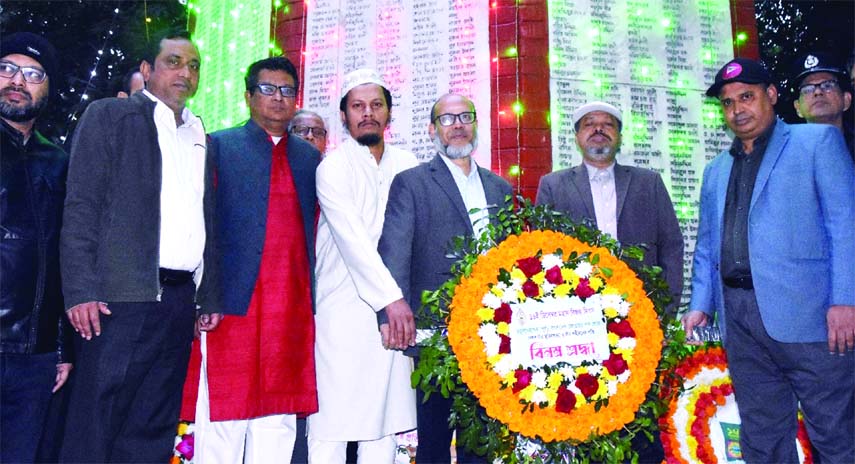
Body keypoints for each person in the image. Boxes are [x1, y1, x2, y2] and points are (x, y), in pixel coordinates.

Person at [59, 28, 221, 462]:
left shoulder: (198, 133)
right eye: (173, 62)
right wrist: (80, 291)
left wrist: (206, 294)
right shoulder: (110, 116)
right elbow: (81, 207)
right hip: (118, 299)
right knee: (95, 422)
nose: (185, 73)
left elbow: (203, 218)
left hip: (178, 301)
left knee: (153, 425)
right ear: (147, 69)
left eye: (193, 66)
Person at [683, 57, 855, 463]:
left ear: (772, 95)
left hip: (813, 317)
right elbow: (708, 245)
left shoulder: (816, 143)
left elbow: (846, 226)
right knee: (762, 436)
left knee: (834, 434)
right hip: (740, 318)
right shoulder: (715, 170)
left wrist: (846, 301)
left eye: (747, 97)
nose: (737, 109)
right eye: (728, 102)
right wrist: (700, 304)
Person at [179, 56, 320, 463]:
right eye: (268, 89)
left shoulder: (309, 159)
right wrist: (205, 296)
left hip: (289, 307)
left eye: (287, 91)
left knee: (278, 418)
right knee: (223, 413)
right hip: (230, 306)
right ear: (248, 96)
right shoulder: (220, 146)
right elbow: (202, 224)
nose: (278, 98)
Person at [378, 94, 511, 462]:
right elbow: (394, 252)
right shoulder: (412, 183)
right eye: (447, 119)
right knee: (434, 440)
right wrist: (390, 313)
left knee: (482, 440)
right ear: (432, 129)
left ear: (475, 124)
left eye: (465, 116)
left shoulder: (500, 188)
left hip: (493, 334)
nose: (457, 125)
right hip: (435, 336)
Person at [308, 68, 418, 463]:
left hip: (397, 311)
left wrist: (400, 302)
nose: (367, 113)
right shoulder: (333, 167)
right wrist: (391, 300)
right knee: (332, 422)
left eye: (376, 105)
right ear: (344, 115)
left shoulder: (408, 163)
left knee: (386, 421)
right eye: (358, 106)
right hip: (343, 309)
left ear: (388, 113)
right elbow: (354, 242)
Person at [535, 101, 684, 314]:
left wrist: (667, 307)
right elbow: (543, 249)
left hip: (642, 305)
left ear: (620, 137)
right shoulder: (554, 185)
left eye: (608, 124)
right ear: (577, 138)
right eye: (589, 124)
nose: (599, 129)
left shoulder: (648, 182)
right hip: (575, 307)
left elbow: (671, 246)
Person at [0, 31, 72, 464]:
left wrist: (61, 348)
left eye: (32, 74)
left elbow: (65, 258)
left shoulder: (58, 162)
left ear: (47, 89)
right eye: (6, 69)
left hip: (35, 357)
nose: (17, 81)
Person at [791, 51, 853, 156]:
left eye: (827, 85)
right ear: (798, 108)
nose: (818, 92)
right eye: (807, 89)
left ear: (846, 100)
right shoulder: (788, 155)